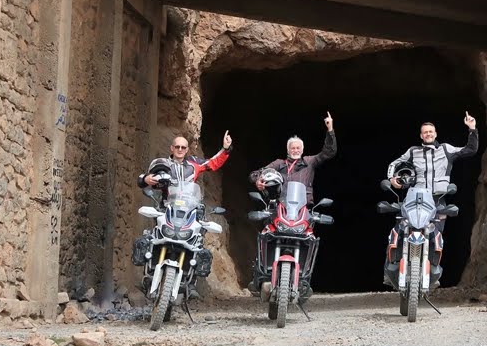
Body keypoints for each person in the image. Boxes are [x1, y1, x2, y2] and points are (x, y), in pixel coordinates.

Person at [131, 131, 232, 297]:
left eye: (183, 147)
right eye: (177, 146)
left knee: (197, 240)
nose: (179, 149)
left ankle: (190, 281)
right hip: (166, 208)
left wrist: (226, 149)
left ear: (187, 150)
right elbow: (145, 178)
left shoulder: (193, 164)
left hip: (189, 210)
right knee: (155, 236)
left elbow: (212, 163)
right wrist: (146, 179)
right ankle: (150, 268)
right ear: (171, 148)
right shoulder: (162, 163)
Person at [382, 112, 478, 286]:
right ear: (421, 135)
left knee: (436, 235)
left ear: (435, 133)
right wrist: (392, 179)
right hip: (416, 199)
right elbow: (394, 163)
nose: (428, 134)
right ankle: (390, 270)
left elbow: (470, 150)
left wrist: (472, 129)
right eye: (425, 132)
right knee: (399, 230)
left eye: (431, 132)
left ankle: (433, 273)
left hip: (438, 200)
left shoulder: (446, 149)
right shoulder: (413, 151)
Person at [247, 112, 336, 299]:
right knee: (265, 233)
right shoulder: (279, 164)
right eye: (292, 147)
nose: (295, 150)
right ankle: (261, 272)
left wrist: (330, 130)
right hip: (280, 207)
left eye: (298, 147)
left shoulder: (309, 163)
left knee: (310, 239)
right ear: (288, 149)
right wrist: (258, 181)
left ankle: (304, 278)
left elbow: (329, 152)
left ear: (302, 149)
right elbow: (257, 173)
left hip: (302, 210)